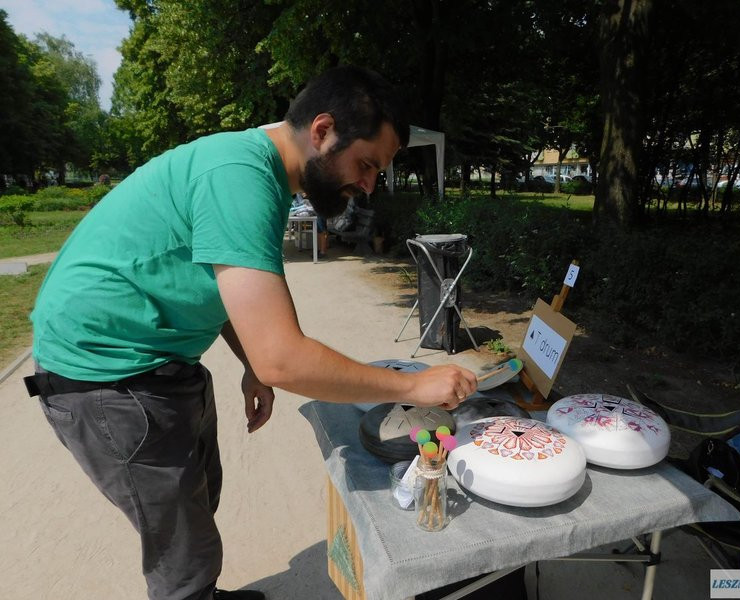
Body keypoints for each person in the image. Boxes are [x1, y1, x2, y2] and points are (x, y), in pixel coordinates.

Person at [26, 65, 477, 600]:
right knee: (179, 550)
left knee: (196, 503)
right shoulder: (240, 176)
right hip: (108, 375)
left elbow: (220, 289)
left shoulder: (258, 168)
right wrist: (413, 387)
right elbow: (283, 359)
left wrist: (247, 361)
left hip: (157, 359)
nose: (368, 185)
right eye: (366, 164)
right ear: (323, 130)